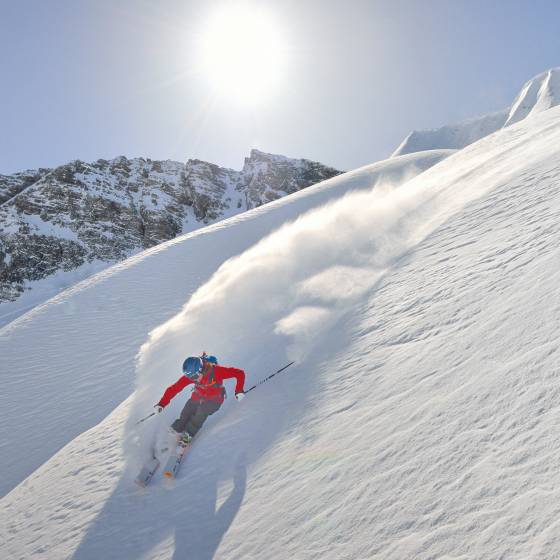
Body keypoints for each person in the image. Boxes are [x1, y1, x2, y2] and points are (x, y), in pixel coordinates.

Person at [154, 353, 246, 444]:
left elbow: (239, 373)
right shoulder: (192, 375)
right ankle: (176, 429)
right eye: (190, 377)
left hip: (214, 400)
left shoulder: (217, 371)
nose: (193, 379)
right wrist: (162, 404)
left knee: (201, 412)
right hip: (198, 396)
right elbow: (174, 388)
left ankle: (187, 435)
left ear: (201, 370)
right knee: (187, 410)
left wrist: (239, 391)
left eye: (194, 377)